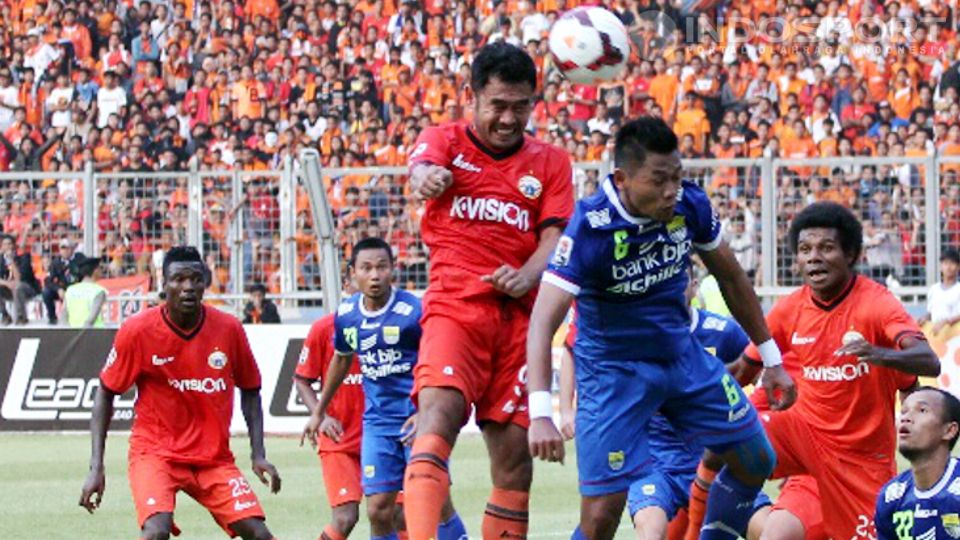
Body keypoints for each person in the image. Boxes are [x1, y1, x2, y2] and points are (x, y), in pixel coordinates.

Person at [526, 116, 795, 540]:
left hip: (682, 359)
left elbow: (732, 278)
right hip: (614, 374)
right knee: (601, 516)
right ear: (623, 178)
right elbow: (543, 321)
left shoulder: (689, 204)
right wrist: (541, 412)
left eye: (677, 177)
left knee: (756, 458)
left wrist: (772, 358)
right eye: (658, 180)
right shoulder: (589, 228)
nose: (671, 191)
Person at [402, 42, 575, 539]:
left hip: (522, 322)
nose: (508, 118)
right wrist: (427, 177)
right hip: (455, 309)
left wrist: (528, 274)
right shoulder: (445, 142)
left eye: (520, 106)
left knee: (516, 463)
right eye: (497, 104)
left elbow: (555, 237)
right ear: (472, 97)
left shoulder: (550, 162)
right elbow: (420, 168)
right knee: (437, 415)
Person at [736, 202, 940, 540]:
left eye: (826, 248)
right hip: (810, 459)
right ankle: (713, 524)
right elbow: (742, 371)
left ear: (851, 254)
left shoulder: (876, 305)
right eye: (804, 249)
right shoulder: (788, 310)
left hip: (864, 469)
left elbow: (928, 360)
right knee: (726, 439)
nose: (813, 257)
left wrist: (875, 354)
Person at [79, 246, 282, 540]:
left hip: (214, 459)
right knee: (155, 533)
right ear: (163, 284)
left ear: (205, 283)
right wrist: (96, 467)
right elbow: (106, 393)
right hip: (156, 454)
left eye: (195, 279)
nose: (187, 287)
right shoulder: (138, 331)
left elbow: (251, 390)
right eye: (178, 279)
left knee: (260, 535)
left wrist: (258, 453)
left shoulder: (229, 329)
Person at [557, 266, 772, 540]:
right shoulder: (637, 336)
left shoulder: (722, 331)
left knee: (770, 531)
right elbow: (573, 348)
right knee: (650, 532)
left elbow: (759, 369)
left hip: (716, 462)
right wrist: (566, 410)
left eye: (679, 283)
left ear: (693, 286)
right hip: (656, 465)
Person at [303, 238, 466, 540]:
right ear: (352, 273)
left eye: (381, 267)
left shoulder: (414, 312)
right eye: (366, 268)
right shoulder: (347, 314)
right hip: (377, 423)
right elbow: (341, 359)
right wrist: (319, 411)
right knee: (378, 509)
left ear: (393, 270)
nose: (375, 275)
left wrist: (426, 412)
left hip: (417, 418)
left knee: (437, 500)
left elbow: (438, 357)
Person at [294, 296, 365, 540]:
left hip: (383, 434)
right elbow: (302, 379)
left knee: (396, 514)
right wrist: (320, 415)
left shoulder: (395, 323)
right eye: (364, 270)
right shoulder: (324, 328)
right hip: (340, 439)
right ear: (348, 282)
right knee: (345, 517)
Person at [875, 387, 960, 540]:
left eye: (922, 410)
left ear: (949, 430)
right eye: (904, 411)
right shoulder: (891, 496)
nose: (905, 418)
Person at [0, 233, 41, 325]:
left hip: (27, 287)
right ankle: (5, 315)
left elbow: (19, 278)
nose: (7, 247)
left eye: (9, 244)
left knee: (18, 287)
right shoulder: (1, 260)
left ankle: (21, 317)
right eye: (5, 244)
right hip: (9, 288)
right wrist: (7, 283)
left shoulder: (24, 257)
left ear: (14, 245)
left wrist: (11, 261)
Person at [919, 248, 960, 335]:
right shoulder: (934, 289)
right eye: (945, 263)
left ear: (958, 267)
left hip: (954, 338)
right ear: (941, 266)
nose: (948, 267)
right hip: (937, 338)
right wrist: (925, 318)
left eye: (952, 263)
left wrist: (945, 322)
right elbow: (931, 312)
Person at [42, 238, 81, 325]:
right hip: (61, 289)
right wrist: (58, 289)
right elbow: (48, 280)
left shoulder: (79, 260)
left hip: (75, 289)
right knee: (46, 292)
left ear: (72, 249)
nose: (65, 251)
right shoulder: (56, 262)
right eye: (63, 248)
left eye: (67, 248)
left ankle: (75, 317)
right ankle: (52, 317)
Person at [63, 254, 107, 328]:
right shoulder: (99, 291)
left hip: (72, 333)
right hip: (95, 334)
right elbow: (91, 320)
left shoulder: (70, 290)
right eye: (100, 268)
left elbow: (63, 316)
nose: (102, 270)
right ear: (95, 270)